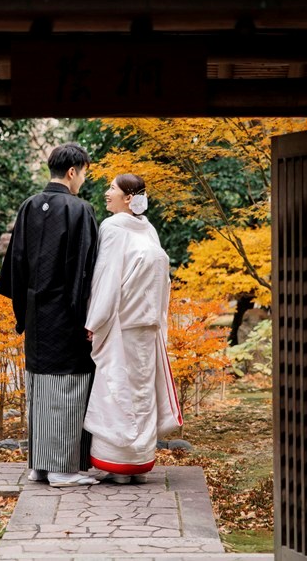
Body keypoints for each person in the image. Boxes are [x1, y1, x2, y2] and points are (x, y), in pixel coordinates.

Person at [0, 142, 100, 488]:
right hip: (67, 315)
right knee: (69, 386)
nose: (82, 180)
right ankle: (61, 469)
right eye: (83, 173)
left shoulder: (28, 207)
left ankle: (39, 466)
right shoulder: (79, 209)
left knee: (40, 386)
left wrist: (23, 312)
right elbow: (85, 270)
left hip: (37, 314)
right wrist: (88, 317)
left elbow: (17, 262)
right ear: (72, 172)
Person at [83, 173, 183, 484]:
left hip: (122, 325)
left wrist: (93, 321)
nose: (106, 192)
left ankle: (116, 465)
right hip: (147, 326)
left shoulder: (112, 227)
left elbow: (107, 278)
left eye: (112, 188)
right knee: (141, 392)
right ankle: (139, 463)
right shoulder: (148, 229)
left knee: (117, 390)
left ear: (128, 197)